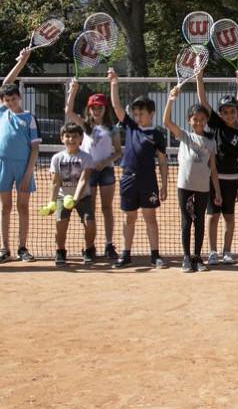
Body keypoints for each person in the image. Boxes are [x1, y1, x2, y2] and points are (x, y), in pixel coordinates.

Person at [107, 67, 169, 269]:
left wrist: (164, 184)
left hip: (148, 180)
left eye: (141, 113)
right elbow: (116, 106)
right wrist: (114, 83)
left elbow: (162, 160)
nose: (137, 116)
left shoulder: (157, 134)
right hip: (128, 178)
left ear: (151, 113)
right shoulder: (131, 127)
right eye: (135, 113)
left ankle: (155, 255)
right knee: (129, 218)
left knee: (150, 218)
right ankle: (125, 255)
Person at [163, 85, 221, 273]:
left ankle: (197, 257)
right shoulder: (185, 136)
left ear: (206, 121)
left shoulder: (211, 141)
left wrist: (217, 191)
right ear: (189, 121)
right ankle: (186, 257)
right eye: (195, 119)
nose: (199, 122)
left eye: (202, 120)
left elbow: (212, 167)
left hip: (203, 187)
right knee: (187, 220)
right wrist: (171, 99)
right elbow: (166, 122)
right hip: (184, 186)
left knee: (200, 222)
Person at [0, 48, 41, 264]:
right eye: (7, 99)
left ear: (19, 97)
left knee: (22, 207)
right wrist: (21, 61)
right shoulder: (3, 112)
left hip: (23, 167)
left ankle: (22, 248)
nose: (10, 102)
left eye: (13, 98)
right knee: (5, 207)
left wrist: (29, 172)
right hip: (2, 163)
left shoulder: (29, 118)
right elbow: (6, 81)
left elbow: (35, 148)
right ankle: (5, 249)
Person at [65, 79, 123, 260]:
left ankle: (108, 244)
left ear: (105, 109)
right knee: (90, 210)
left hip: (106, 172)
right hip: (88, 172)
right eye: (93, 108)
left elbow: (118, 152)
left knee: (107, 208)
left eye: (100, 107)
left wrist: (106, 161)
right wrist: (72, 90)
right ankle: (89, 246)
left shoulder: (112, 129)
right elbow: (68, 112)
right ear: (89, 109)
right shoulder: (85, 126)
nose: (96, 111)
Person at [195, 70, 238, 265]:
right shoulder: (216, 125)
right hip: (213, 179)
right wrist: (199, 77)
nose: (228, 114)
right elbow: (203, 100)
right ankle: (213, 251)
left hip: (232, 181)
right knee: (213, 216)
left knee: (229, 216)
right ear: (220, 113)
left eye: (232, 111)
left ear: (237, 113)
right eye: (225, 111)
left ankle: (227, 251)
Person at [46, 123, 96, 267]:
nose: (71, 139)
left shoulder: (86, 157)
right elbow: (55, 183)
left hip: (83, 197)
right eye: (67, 136)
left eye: (75, 136)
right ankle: (60, 251)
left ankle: (88, 249)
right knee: (60, 224)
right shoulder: (57, 158)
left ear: (81, 138)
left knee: (90, 223)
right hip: (63, 197)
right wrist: (52, 203)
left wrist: (75, 199)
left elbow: (83, 179)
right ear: (62, 138)